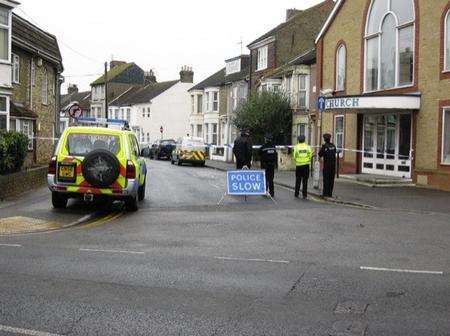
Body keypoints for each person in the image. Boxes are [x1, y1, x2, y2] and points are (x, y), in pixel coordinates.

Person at [319, 133, 337, 198]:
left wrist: (322, 148)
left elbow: (320, 154)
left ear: (324, 139)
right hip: (333, 166)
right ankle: (330, 194)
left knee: (326, 180)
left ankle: (325, 194)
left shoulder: (324, 146)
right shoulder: (333, 146)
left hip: (327, 166)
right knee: (331, 180)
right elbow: (334, 152)